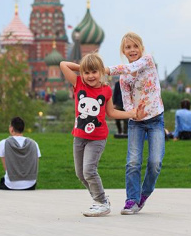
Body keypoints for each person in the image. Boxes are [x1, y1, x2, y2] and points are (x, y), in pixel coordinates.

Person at [60, 53, 140, 217]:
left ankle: (101, 202)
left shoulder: (106, 90)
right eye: (87, 72)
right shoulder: (79, 84)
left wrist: (130, 113)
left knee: (89, 170)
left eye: (94, 72)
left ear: (101, 72)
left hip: (97, 138)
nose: (90, 76)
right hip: (79, 137)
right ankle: (100, 200)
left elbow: (111, 112)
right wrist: (82, 68)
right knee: (80, 174)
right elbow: (63, 64)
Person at [106, 32, 165, 215]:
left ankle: (143, 194)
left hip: (155, 119)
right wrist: (132, 112)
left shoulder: (147, 61)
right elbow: (127, 101)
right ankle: (131, 199)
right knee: (133, 162)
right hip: (136, 123)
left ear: (141, 48)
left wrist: (106, 70)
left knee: (155, 162)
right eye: (128, 47)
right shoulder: (124, 78)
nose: (132, 50)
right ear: (123, 51)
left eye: (135, 46)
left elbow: (132, 66)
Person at [0, 117, 41, 190]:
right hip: (30, 184)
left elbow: (6, 168)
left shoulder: (4, 143)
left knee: (2, 181)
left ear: (11, 128)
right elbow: (36, 162)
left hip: (11, 184)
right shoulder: (34, 144)